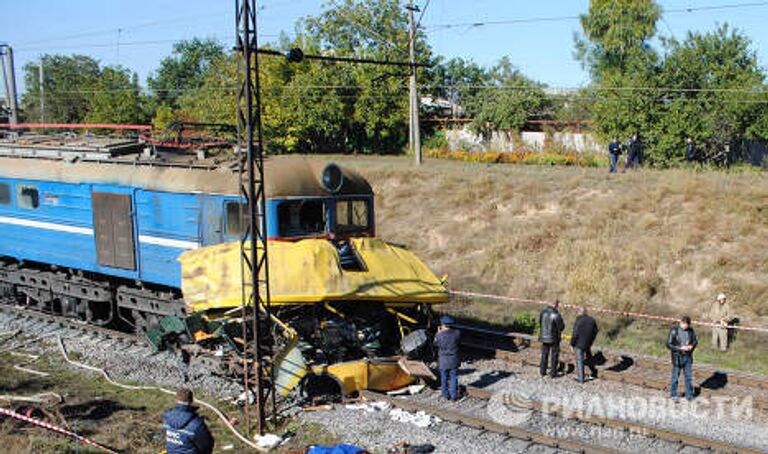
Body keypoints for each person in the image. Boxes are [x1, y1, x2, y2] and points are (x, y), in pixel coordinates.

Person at [163, 388, 214, 454]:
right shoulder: (196, 424)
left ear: (175, 400)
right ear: (191, 401)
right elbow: (207, 444)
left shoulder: (167, 418)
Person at [667, 316, 698, 402]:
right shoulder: (674, 331)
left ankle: (689, 395)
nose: (685, 326)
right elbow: (668, 344)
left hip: (687, 357)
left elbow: (695, 341)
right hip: (677, 357)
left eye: (686, 325)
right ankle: (673, 394)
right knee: (675, 377)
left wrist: (691, 346)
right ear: (680, 323)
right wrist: (680, 348)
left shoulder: (691, 331)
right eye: (683, 324)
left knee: (688, 377)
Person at [434, 315, 461, 401]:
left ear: (442, 324)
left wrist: (438, 333)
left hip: (443, 360)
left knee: (444, 377)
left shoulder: (439, 335)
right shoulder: (457, 333)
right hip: (454, 359)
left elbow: (435, 344)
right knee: (453, 377)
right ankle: (454, 395)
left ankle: (445, 395)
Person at [570, 307, 599, 383]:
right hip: (587, 343)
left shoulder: (578, 320)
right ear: (586, 312)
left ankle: (581, 378)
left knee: (579, 359)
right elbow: (595, 331)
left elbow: (575, 333)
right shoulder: (592, 320)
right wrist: (591, 340)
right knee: (589, 357)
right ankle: (594, 371)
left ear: (580, 312)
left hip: (579, 343)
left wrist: (572, 344)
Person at [539, 300, 565, 378]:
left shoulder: (543, 312)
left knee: (544, 354)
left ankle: (542, 371)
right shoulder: (556, 314)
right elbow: (561, 327)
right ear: (556, 304)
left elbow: (540, 322)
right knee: (554, 355)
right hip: (554, 338)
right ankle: (553, 373)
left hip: (544, 336)